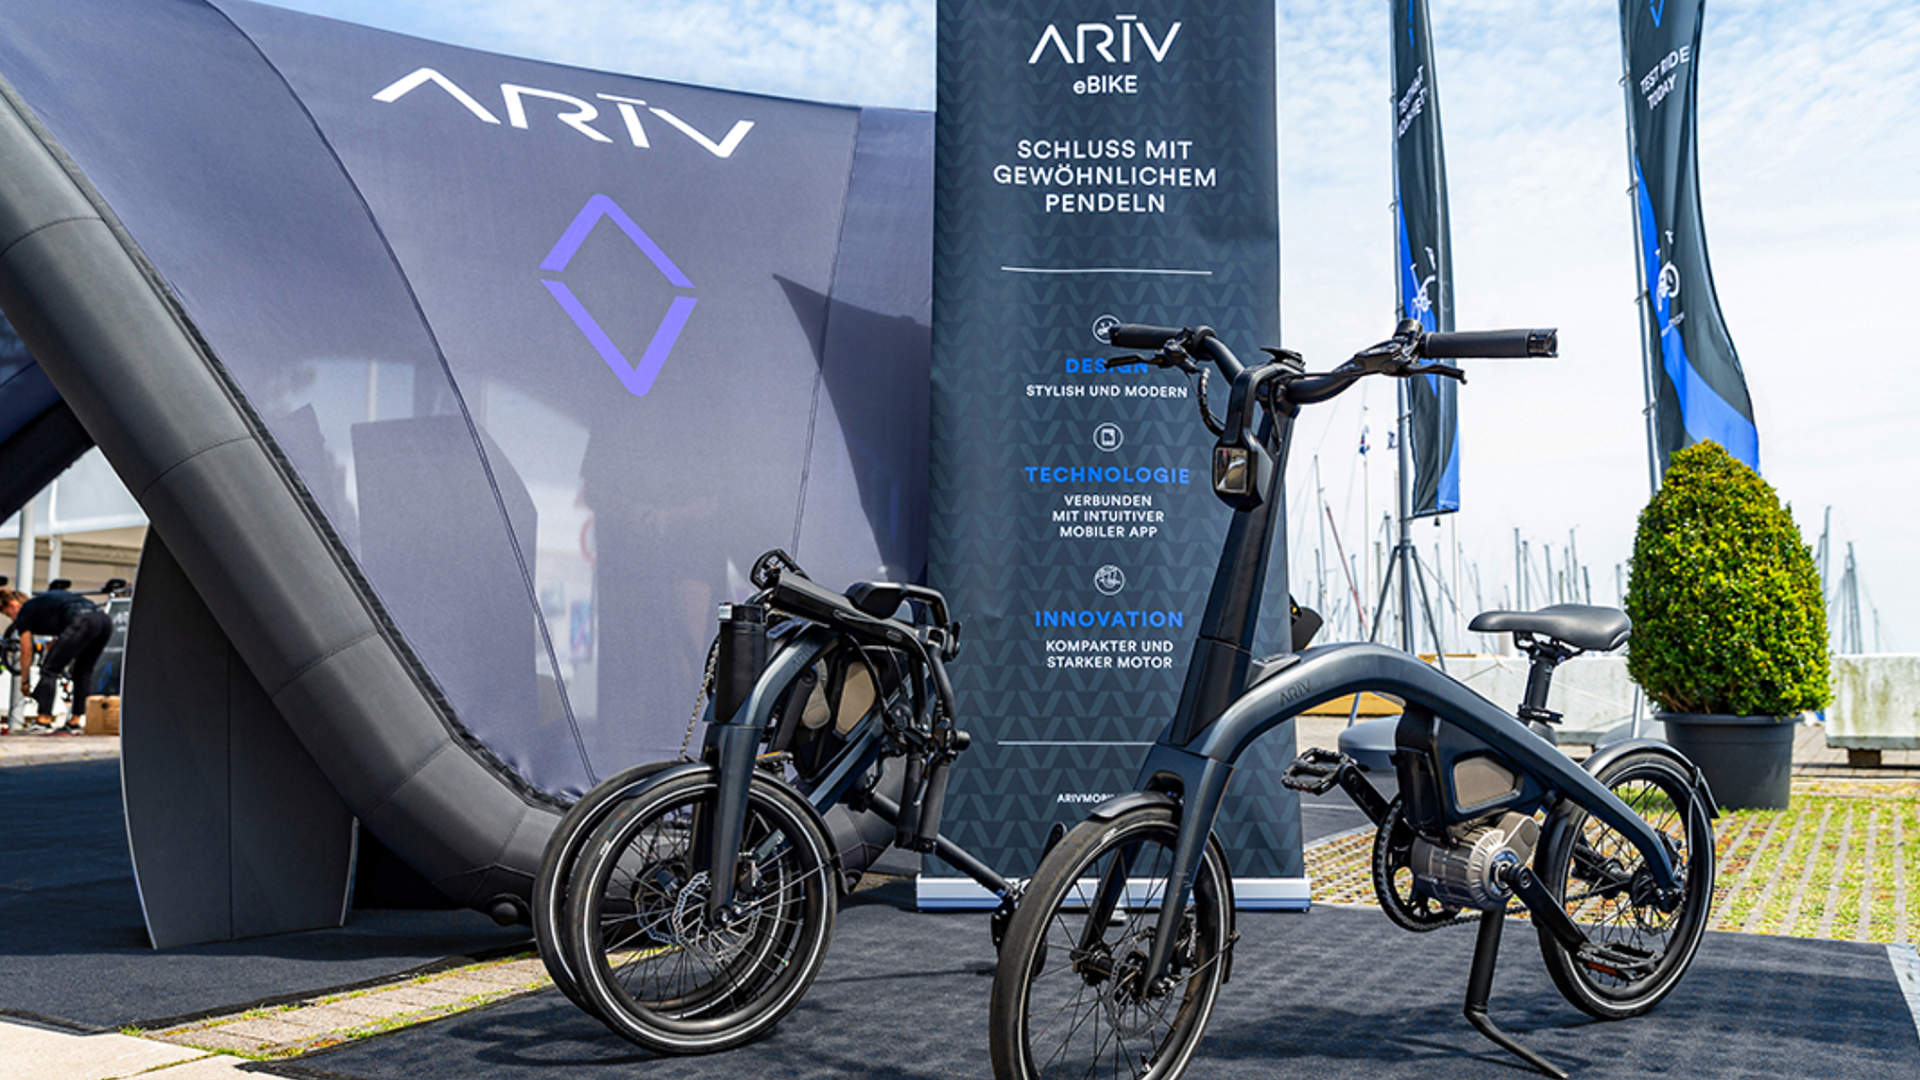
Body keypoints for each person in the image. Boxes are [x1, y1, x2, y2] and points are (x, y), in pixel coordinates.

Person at [0, 586, 112, 733]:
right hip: (103, 621)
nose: (13, 620)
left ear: (13, 605)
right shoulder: (41, 605)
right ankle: (75, 722)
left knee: (49, 669)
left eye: (8, 614)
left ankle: (43, 720)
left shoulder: (24, 613)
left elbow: (27, 651)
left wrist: (24, 680)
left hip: (81, 620)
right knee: (83, 671)